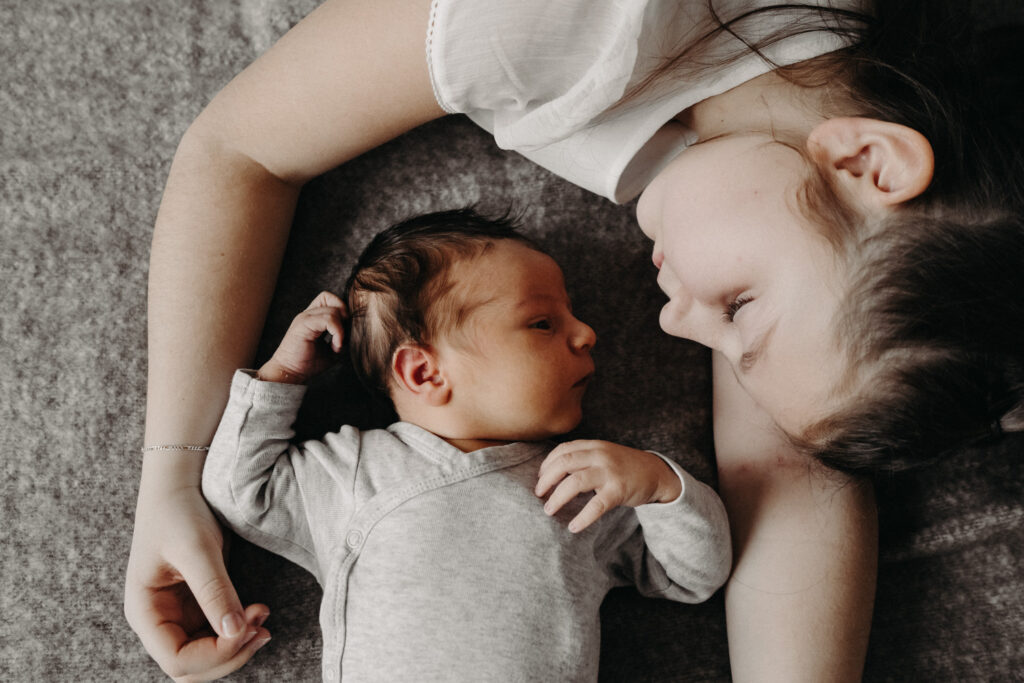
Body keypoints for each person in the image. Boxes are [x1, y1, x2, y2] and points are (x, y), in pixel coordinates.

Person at [125, 1, 1024, 681]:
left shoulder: (800, 169)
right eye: (742, 309)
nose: (673, 323)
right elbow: (236, 147)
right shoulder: (532, 25)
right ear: (869, 162)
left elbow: (786, 474)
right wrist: (171, 471)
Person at [199, 210, 732, 681]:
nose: (587, 333)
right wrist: (284, 376)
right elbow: (240, 489)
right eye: (543, 322)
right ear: (425, 371)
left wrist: (661, 487)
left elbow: (691, 577)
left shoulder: (584, 484)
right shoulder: (356, 471)